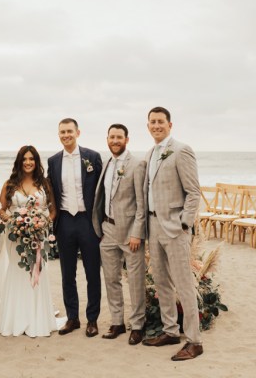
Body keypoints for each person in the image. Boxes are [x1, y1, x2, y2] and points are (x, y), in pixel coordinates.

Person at [141, 107, 203, 361]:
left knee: (184, 284)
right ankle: (170, 330)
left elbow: (193, 192)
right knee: (162, 282)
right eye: (152, 122)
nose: (156, 126)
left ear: (170, 124)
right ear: (148, 126)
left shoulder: (181, 150)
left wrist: (184, 224)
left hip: (175, 228)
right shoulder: (151, 153)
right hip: (153, 227)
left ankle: (195, 341)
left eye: (160, 122)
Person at [0, 145, 62, 337]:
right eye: (25, 159)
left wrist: (42, 224)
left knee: (37, 271)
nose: (28, 162)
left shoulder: (45, 184)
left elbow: (53, 210)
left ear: (36, 161)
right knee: (18, 271)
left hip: (38, 236)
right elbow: (1, 208)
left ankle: (37, 317)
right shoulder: (10, 184)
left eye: (32, 159)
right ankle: (16, 318)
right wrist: (13, 222)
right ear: (19, 162)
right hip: (15, 237)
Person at [47, 118, 103, 337]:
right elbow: (50, 190)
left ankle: (92, 319)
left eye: (69, 131)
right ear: (58, 134)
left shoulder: (92, 157)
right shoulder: (53, 161)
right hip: (65, 221)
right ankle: (72, 318)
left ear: (78, 132)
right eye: (62, 132)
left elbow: (101, 191)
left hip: (87, 221)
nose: (66, 135)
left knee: (92, 273)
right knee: (67, 273)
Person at [92, 124, 147, 345]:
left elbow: (142, 204)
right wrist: (100, 229)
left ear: (127, 139)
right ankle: (117, 322)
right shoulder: (106, 163)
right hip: (107, 230)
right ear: (107, 139)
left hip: (130, 233)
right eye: (111, 137)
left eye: (119, 137)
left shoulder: (137, 165)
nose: (115, 140)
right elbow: (102, 197)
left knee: (135, 280)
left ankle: (137, 325)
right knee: (111, 279)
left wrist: (137, 233)